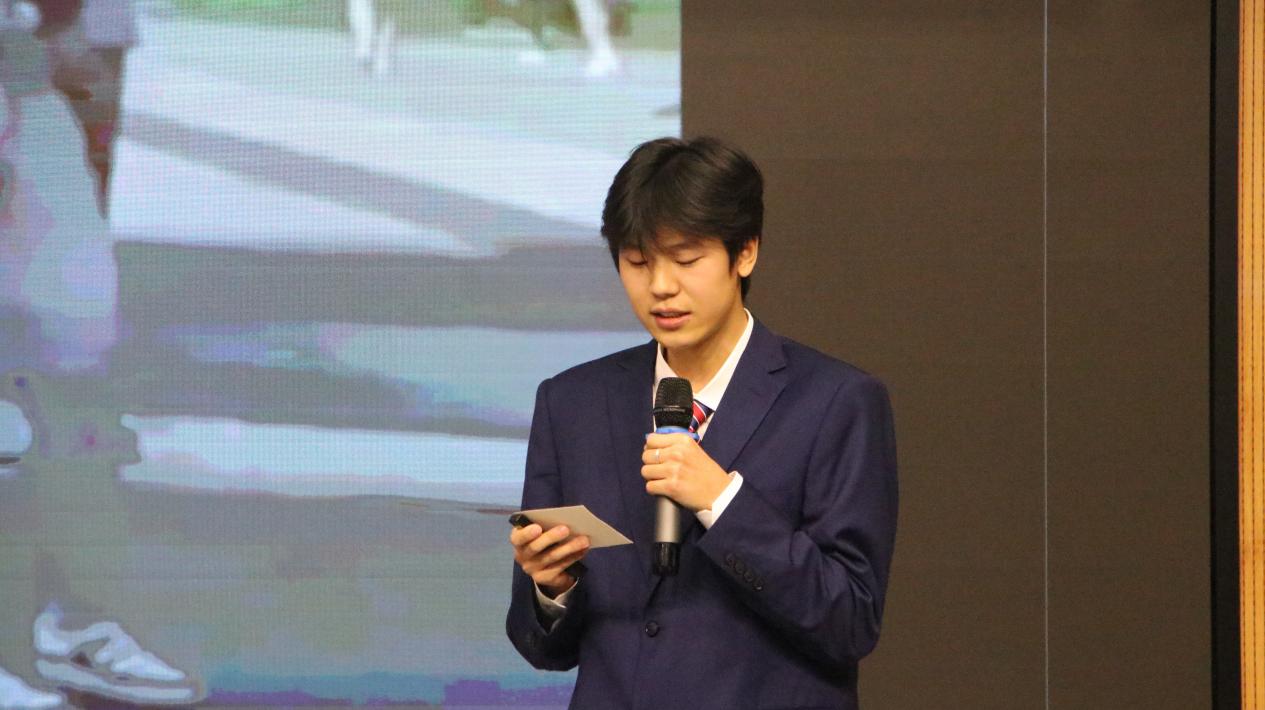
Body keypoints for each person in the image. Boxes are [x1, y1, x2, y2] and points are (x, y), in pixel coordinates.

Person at [505, 136, 898, 708]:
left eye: (686, 260)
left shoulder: (836, 401)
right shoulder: (572, 403)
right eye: (638, 262)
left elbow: (850, 621)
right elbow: (542, 646)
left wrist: (721, 501)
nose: (661, 286)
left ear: (745, 253)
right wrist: (552, 587)